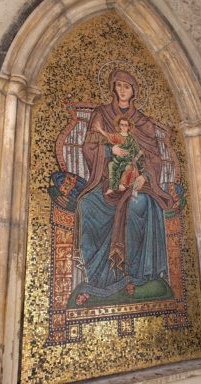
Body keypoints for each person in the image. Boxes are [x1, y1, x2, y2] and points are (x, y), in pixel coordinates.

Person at [74, 69, 173, 305]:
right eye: (118, 85)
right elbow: (89, 147)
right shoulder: (101, 114)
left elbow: (154, 157)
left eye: (126, 86)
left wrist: (145, 177)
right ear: (112, 87)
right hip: (106, 180)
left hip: (137, 181)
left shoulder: (144, 123)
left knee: (140, 203)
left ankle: (137, 275)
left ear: (134, 91)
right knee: (86, 205)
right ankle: (98, 279)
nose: (122, 90)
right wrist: (109, 151)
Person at [94, 115, 144, 194]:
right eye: (122, 125)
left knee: (129, 168)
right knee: (111, 165)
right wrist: (100, 129)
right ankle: (112, 187)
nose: (123, 127)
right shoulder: (116, 136)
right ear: (119, 125)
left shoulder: (131, 139)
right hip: (117, 159)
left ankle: (123, 184)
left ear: (129, 127)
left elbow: (137, 151)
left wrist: (138, 157)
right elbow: (108, 136)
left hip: (128, 160)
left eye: (125, 125)